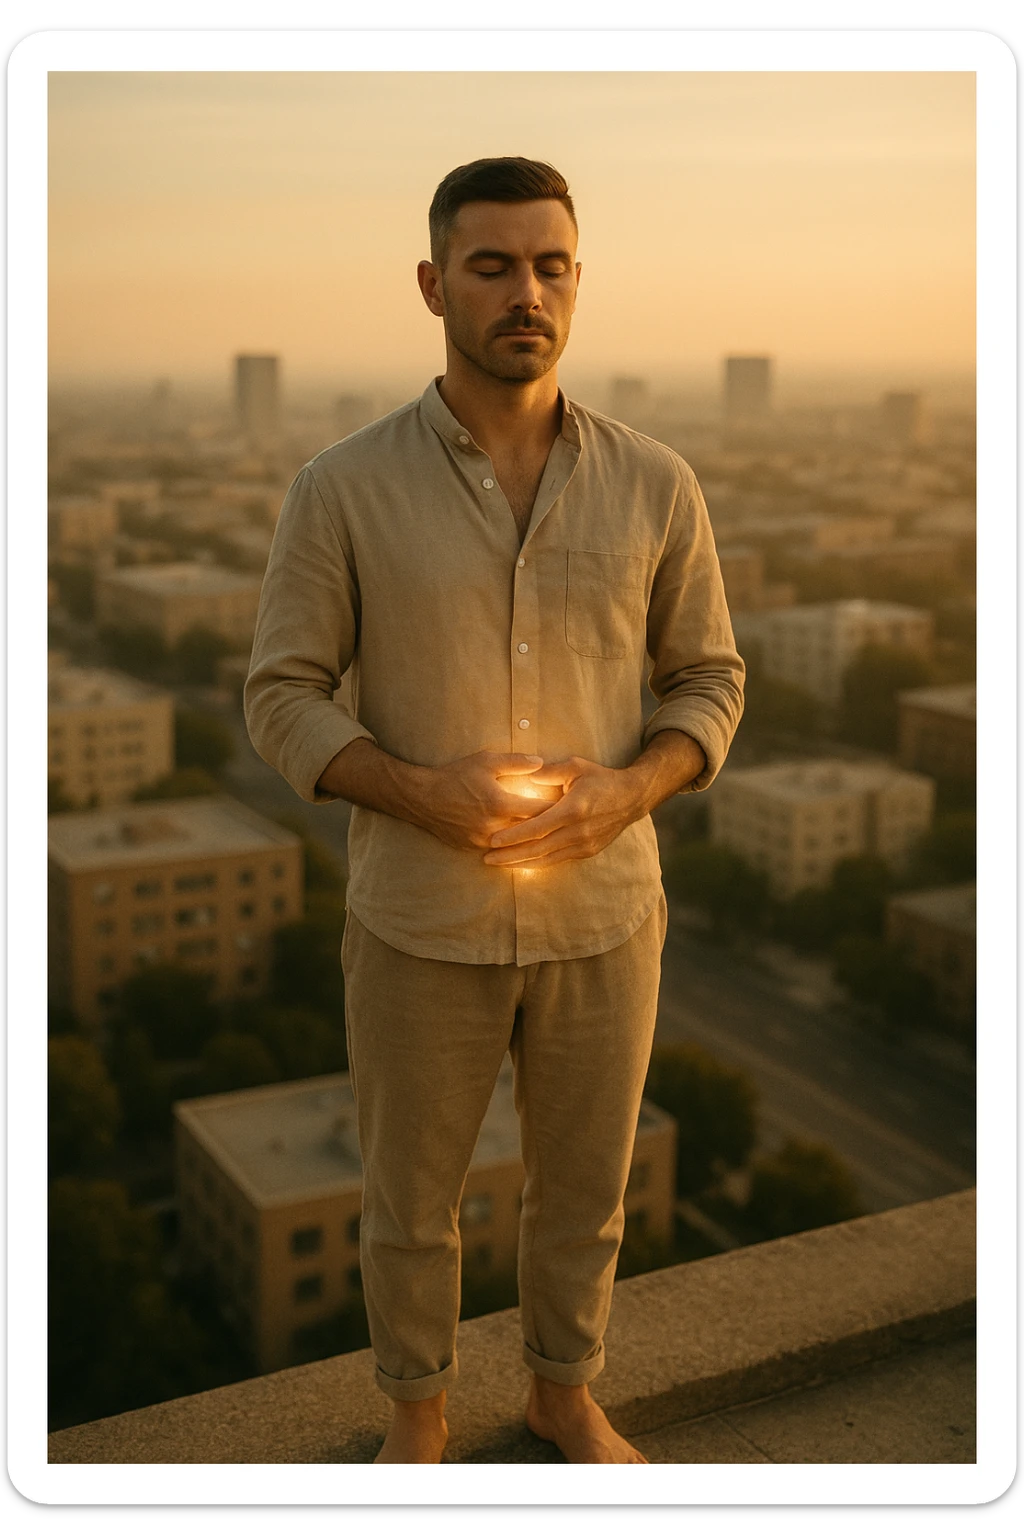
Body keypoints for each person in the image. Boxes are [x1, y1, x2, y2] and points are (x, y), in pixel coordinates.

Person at [244, 156, 744, 1464]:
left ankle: (559, 1395)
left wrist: (630, 790)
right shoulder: (341, 488)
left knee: (586, 1197)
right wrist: (418, 793)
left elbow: (709, 680)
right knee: (412, 1204)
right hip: (420, 921)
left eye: (551, 264)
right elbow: (281, 694)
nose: (527, 291)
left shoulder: (656, 484)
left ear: (577, 281)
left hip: (604, 914)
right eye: (493, 265)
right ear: (433, 284)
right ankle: (417, 1417)